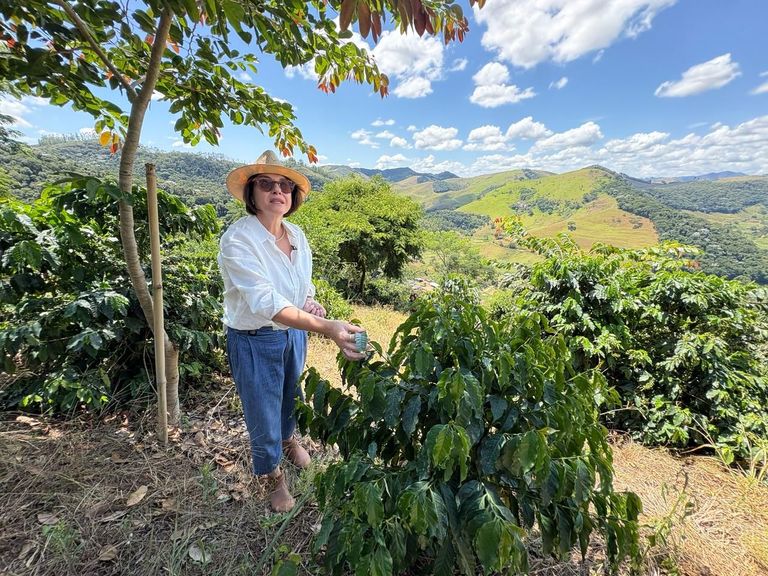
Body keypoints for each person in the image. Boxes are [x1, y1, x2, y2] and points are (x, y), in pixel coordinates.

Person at [218, 150, 366, 512]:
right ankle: (271, 477)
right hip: (255, 338)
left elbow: (302, 285)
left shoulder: (296, 234)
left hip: (293, 334)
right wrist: (326, 327)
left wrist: (311, 304)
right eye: (266, 184)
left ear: (293, 197)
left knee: (290, 394)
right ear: (251, 194)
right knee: (261, 409)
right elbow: (265, 303)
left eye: (284, 186)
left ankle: (288, 440)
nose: (277, 191)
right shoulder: (238, 241)